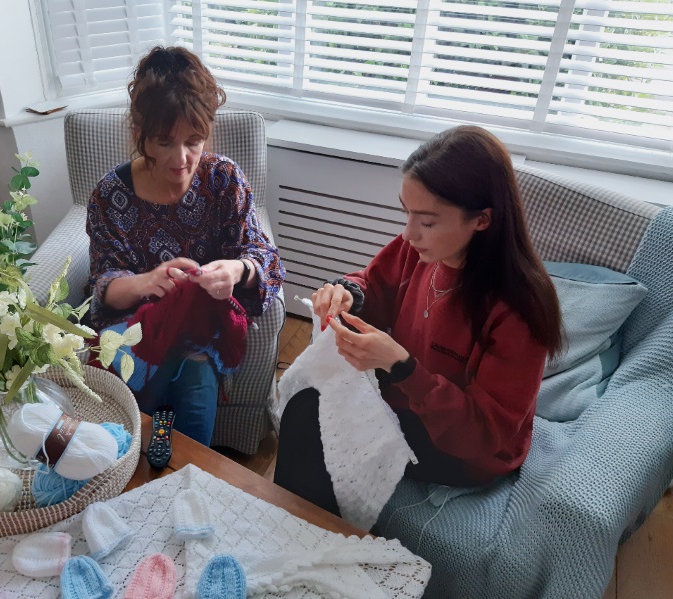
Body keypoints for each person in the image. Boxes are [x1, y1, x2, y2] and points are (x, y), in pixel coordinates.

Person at [274, 125, 563, 517]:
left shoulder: (519, 309)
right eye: (406, 213)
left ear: (482, 220)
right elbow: (374, 284)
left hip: (468, 452)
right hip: (408, 400)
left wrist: (400, 366)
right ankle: (293, 530)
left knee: (313, 420)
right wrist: (348, 293)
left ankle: (309, 539)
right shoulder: (420, 251)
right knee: (307, 403)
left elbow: (484, 434)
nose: (409, 233)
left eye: (427, 222)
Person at [86, 46, 283, 446]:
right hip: (138, 329)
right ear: (139, 134)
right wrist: (147, 282)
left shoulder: (223, 179)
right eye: (164, 142)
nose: (182, 158)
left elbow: (264, 258)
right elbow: (103, 284)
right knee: (176, 361)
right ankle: (166, 463)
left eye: (194, 141)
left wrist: (235, 270)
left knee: (194, 362)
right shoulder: (110, 194)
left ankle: (168, 462)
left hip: (201, 333)